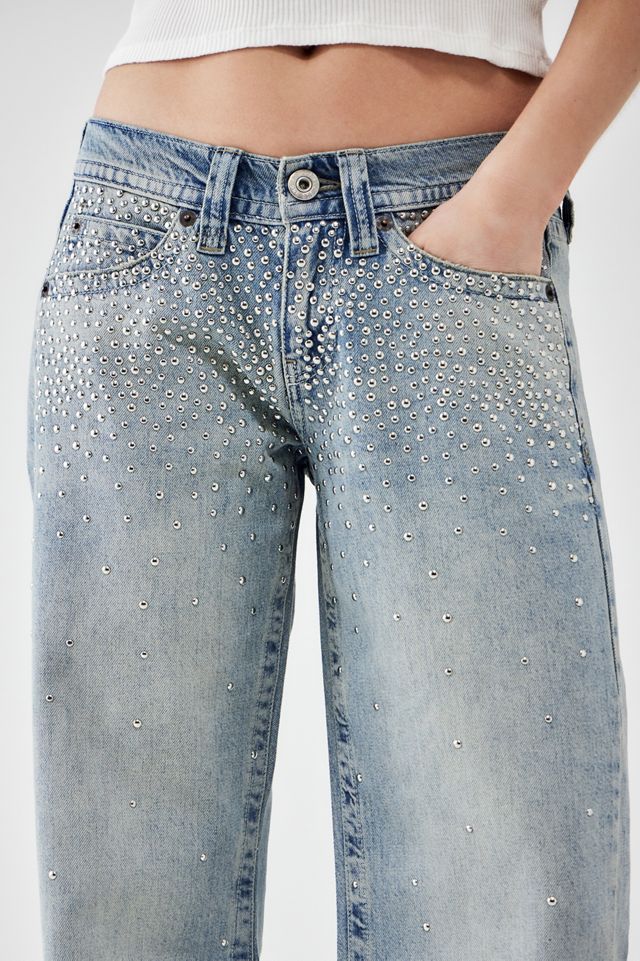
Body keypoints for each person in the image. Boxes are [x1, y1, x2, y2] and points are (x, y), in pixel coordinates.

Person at [27, 2, 636, 960]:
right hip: (143, 236)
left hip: (448, 238)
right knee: (129, 901)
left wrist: (511, 202)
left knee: (500, 882)